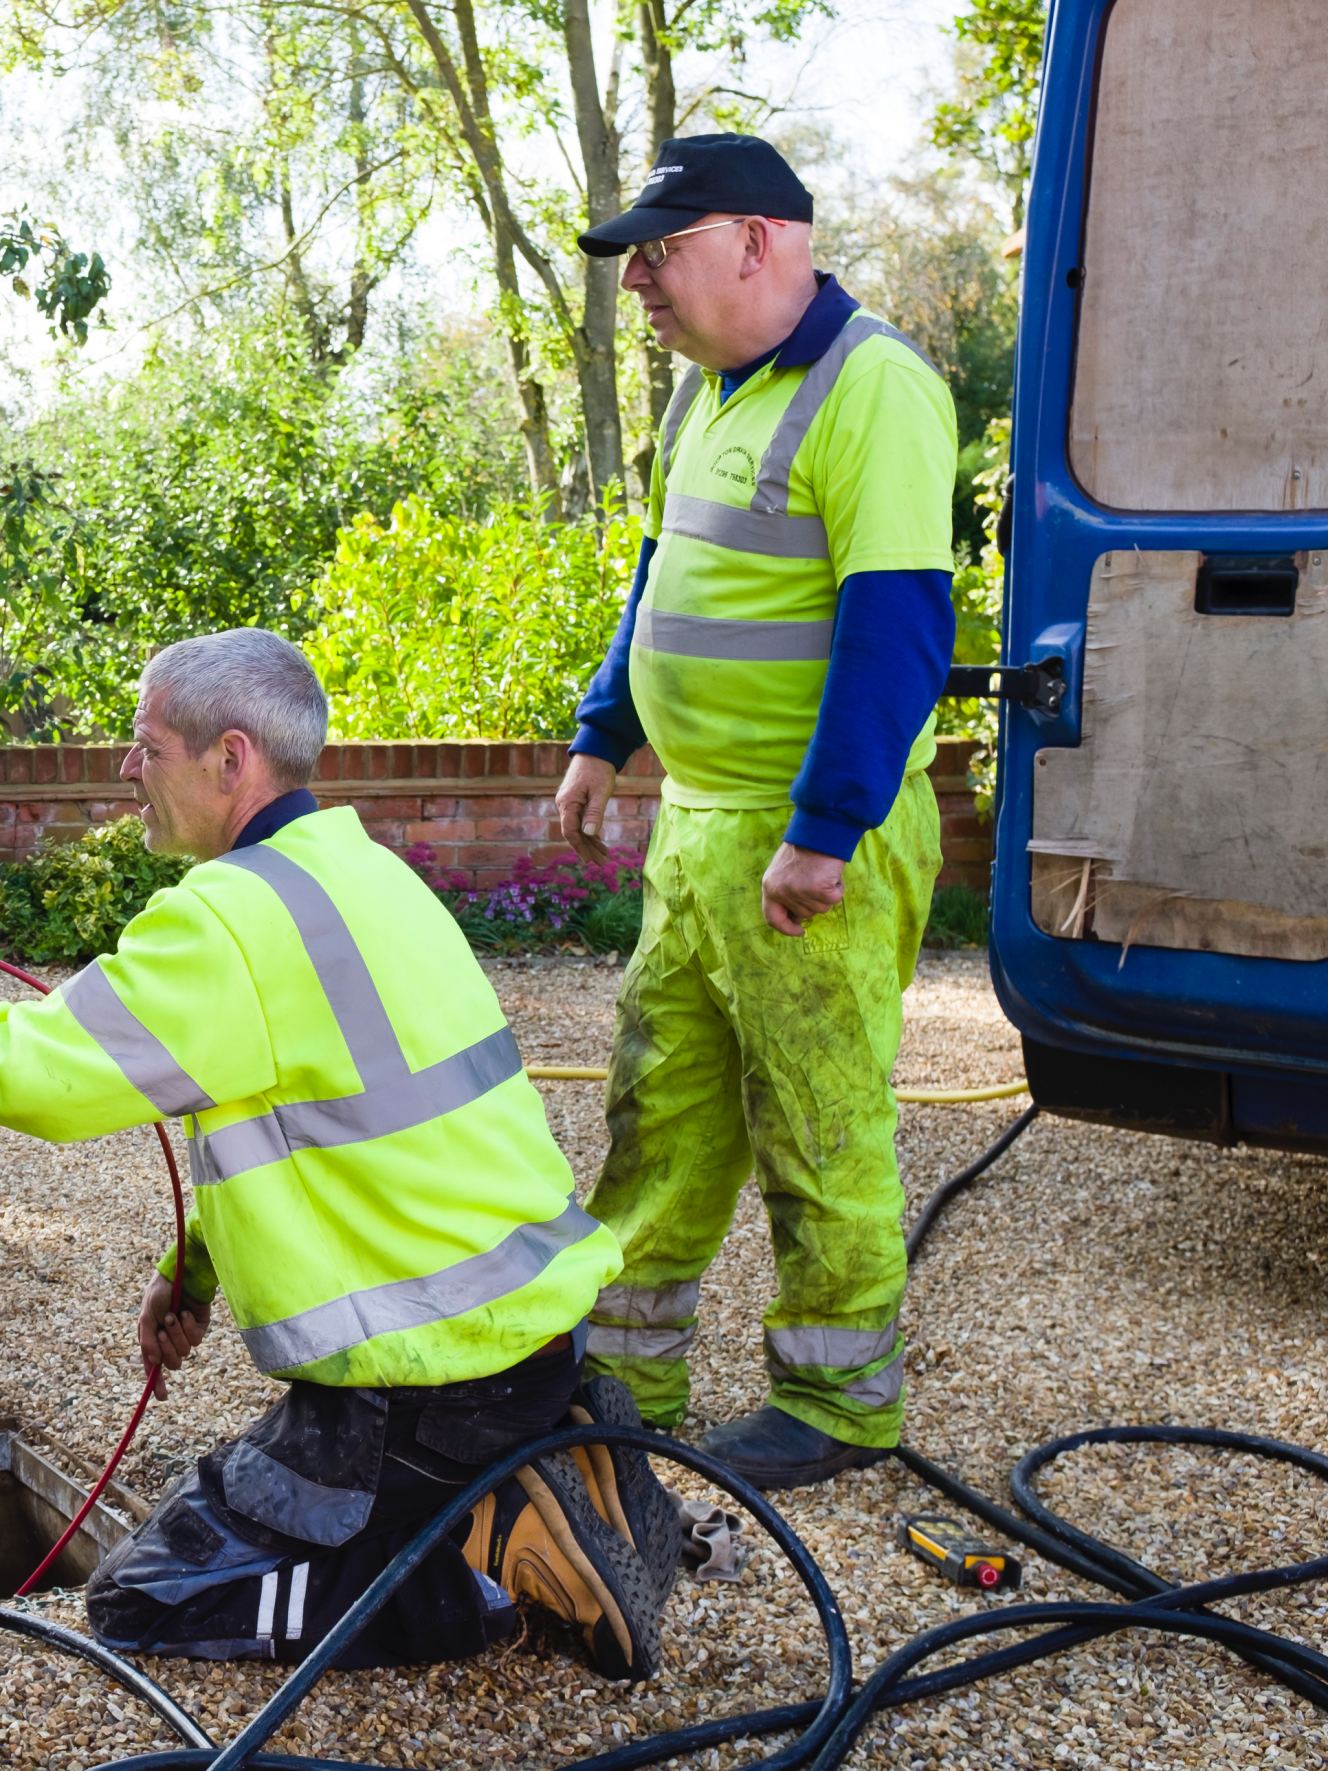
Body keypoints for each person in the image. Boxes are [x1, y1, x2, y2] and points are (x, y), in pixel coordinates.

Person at [0, 629, 680, 1678]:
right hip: (519, 1338)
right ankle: (536, 1451)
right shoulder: (361, 873)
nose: (124, 767)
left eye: (144, 744)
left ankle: (489, 1556)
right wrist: (190, 1269)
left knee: (149, 1600)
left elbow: (36, 1074)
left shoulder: (232, 919)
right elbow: (334, 1134)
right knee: (226, 1527)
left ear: (228, 759)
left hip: (427, 1385)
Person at [557, 134, 959, 1489]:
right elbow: (665, 579)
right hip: (704, 826)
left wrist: (830, 826)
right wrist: (606, 734)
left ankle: (837, 1404)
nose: (639, 287)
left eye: (657, 254)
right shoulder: (705, 396)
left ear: (758, 239)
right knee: (659, 1104)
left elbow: (896, 628)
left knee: (817, 1116)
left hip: (802, 837)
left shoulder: (875, 388)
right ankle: (621, 1373)